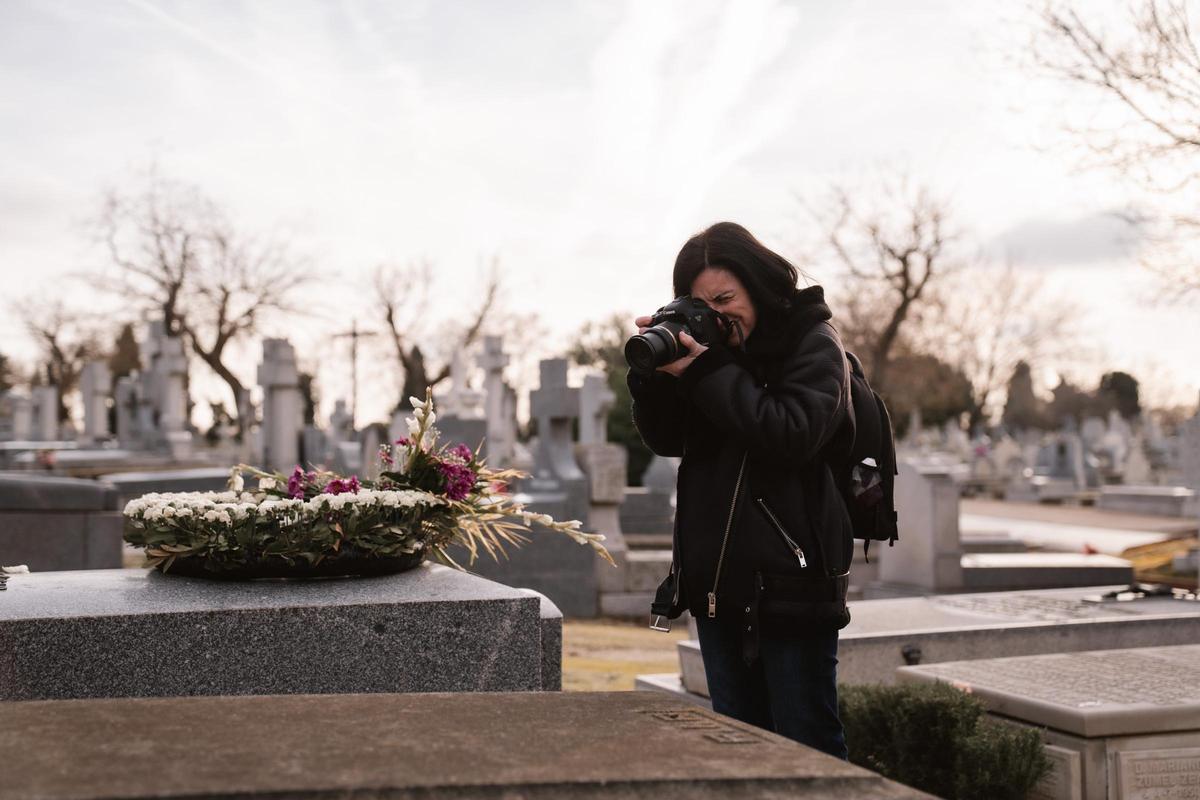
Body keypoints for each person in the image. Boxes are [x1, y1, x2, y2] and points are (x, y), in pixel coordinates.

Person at [629, 221, 853, 759]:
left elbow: (791, 432)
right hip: (716, 589)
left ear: (758, 286)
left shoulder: (812, 344)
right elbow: (666, 439)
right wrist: (659, 376)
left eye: (726, 297)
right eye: (701, 301)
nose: (718, 312)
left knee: (807, 749)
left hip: (792, 588)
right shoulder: (707, 356)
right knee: (739, 749)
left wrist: (707, 369)